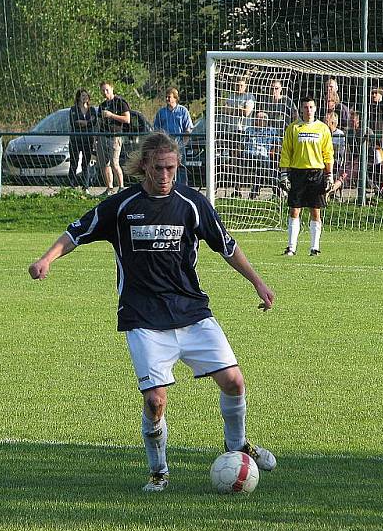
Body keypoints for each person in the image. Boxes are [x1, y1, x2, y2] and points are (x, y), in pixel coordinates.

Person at [28, 131, 277, 493]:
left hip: (192, 313)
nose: (165, 175)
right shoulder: (122, 205)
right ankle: (158, 471)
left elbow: (227, 245)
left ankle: (237, 445)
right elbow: (77, 232)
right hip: (143, 319)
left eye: (171, 168)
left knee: (235, 381)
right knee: (155, 399)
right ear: (144, 165)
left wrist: (257, 282)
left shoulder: (192, 203)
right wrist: (46, 259)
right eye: (159, 168)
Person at [279, 96, 334, 257]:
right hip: (297, 173)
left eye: (311, 107)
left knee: (315, 211)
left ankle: (314, 247)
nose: (308, 110)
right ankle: (291, 247)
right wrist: (284, 175)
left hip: (316, 173)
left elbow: (328, 154)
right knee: (294, 211)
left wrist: (329, 175)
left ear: (315, 109)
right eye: (305, 107)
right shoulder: (293, 128)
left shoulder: (322, 129)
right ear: (301, 109)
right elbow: (286, 153)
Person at [153, 87, 194, 185]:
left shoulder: (183, 111)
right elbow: (156, 128)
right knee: (165, 166)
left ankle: (183, 187)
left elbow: (188, 128)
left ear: (175, 98)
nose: (167, 99)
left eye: (169, 97)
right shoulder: (161, 112)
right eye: (166, 97)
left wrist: (184, 143)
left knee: (181, 166)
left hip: (179, 144)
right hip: (165, 145)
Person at [96, 82, 131, 196]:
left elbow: (127, 119)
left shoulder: (120, 102)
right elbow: (99, 122)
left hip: (115, 136)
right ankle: (109, 188)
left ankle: (121, 187)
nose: (105, 92)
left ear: (112, 89)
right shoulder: (102, 105)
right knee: (104, 164)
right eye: (102, 90)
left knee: (114, 163)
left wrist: (111, 115)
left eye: (106, 90)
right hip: (103, 136)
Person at [242, 111, 280, 199]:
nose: (257, 121)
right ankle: (275, 192)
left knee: (261, 166)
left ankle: (254, 192)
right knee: (262, 167)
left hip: (264, 156)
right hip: (249, 155)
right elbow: (242, 143)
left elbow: (278, 143)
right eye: (257, 119)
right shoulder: (249, 130)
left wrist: (273, 151)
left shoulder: (271, 130)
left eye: (261, 119)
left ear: (266, 121)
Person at [68, 88, 97, 191]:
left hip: (88, 139)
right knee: (74, 162)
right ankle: (72, 185)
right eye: (82, 96)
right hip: (75, 139)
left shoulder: (92, 110)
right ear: (78, 98)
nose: (85, 97)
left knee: (86, 163)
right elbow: (74, 122)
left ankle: (86, 186)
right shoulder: (73, 109)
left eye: (86, 95)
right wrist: (87, 122)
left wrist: (85, 123)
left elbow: (94, 122)